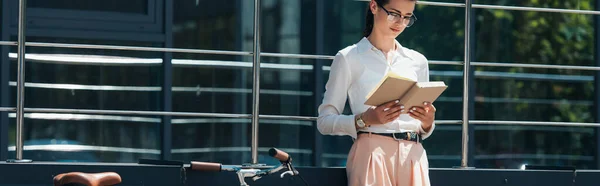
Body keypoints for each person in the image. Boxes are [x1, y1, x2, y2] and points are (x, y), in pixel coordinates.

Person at [316, 0, 435, 185]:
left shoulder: (418, 61)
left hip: (414, 156)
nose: (400, 23)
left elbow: (420, 126)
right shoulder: (348, 58)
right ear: (373, 6)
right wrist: (364, 119)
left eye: (407, 17)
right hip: (372, 153)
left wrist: (427, 123)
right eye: (394, 14)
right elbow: (324, 122)